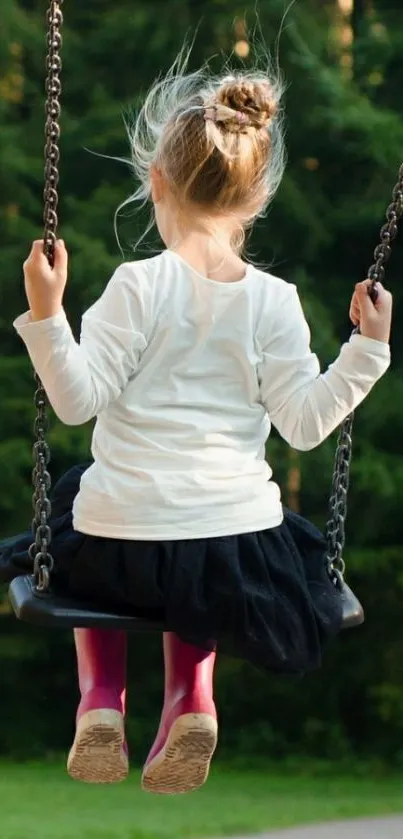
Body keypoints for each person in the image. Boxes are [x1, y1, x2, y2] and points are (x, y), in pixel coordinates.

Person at [1, 57, 392, 794]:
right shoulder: (275, 301)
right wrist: (366, 350)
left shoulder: (135, 284)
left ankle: (99, 698)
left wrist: (48, 313)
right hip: (232, 549)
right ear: (257, 197)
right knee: (198, 553)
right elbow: (305, 425)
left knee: (86, 505)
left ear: (155, 180)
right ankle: (192, 696)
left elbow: (76, 402)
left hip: (121, 541)